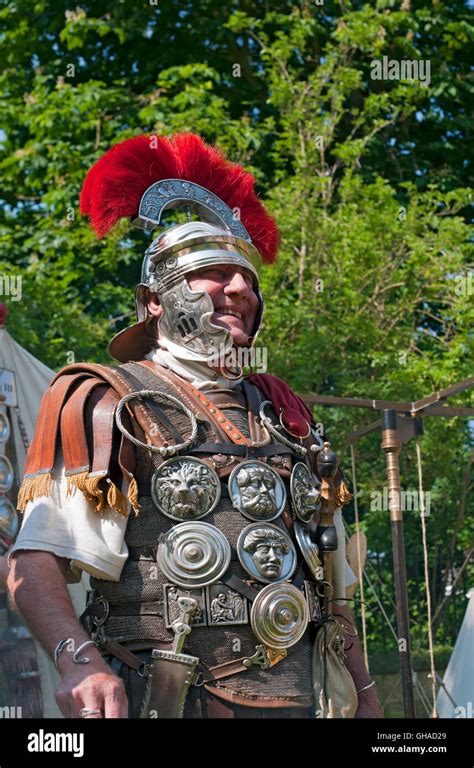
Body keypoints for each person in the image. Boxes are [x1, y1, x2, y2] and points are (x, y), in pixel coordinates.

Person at [7, 133, 383, 719]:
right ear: (154, 299)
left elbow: (329, 590)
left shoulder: (284, 415)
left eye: (248, 278)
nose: (239, 289)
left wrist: (362, 690)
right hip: (172, 699)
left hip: (307, 697)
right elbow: (36, 562)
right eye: (213, 273)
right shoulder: (109, 400)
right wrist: (78, 660)